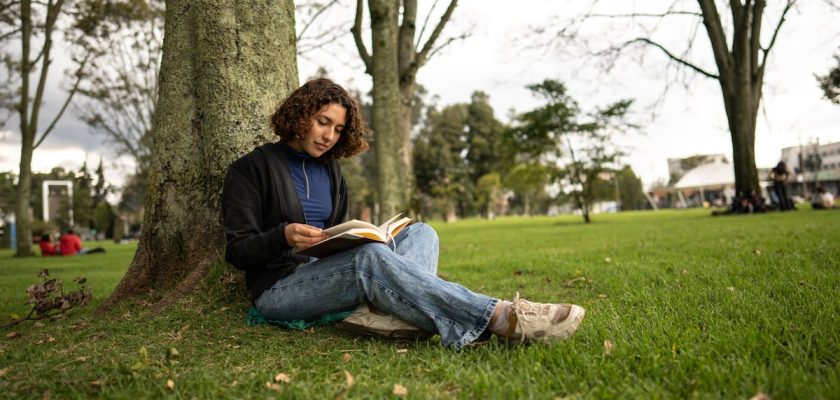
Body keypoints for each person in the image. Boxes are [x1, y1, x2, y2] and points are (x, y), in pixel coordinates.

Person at [221, 78, 585, 350]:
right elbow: (237, 252)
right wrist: (282, 235)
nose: (330, 135)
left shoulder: (330, 170)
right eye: (322, 122)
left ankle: (386, 318)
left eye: (338, 128)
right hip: (280, 290)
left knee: (422, 232)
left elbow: (336, 236)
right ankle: (500, 317)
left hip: (326, 274)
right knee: (368, 259)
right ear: (301, 115)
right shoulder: (250, 169)